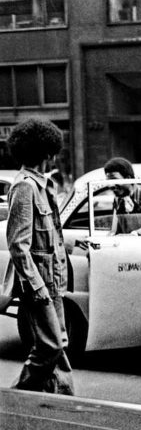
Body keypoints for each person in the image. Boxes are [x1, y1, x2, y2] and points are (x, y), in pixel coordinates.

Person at [6, 118, 74, 395]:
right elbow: (18, 245)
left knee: (59, 345)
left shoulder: (45, 185)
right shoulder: (25, 186)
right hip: (39, 286)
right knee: (50, 346)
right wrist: (37, 287)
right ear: (47, 152)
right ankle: (15, 397)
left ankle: (63, 402)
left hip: (53, 281)